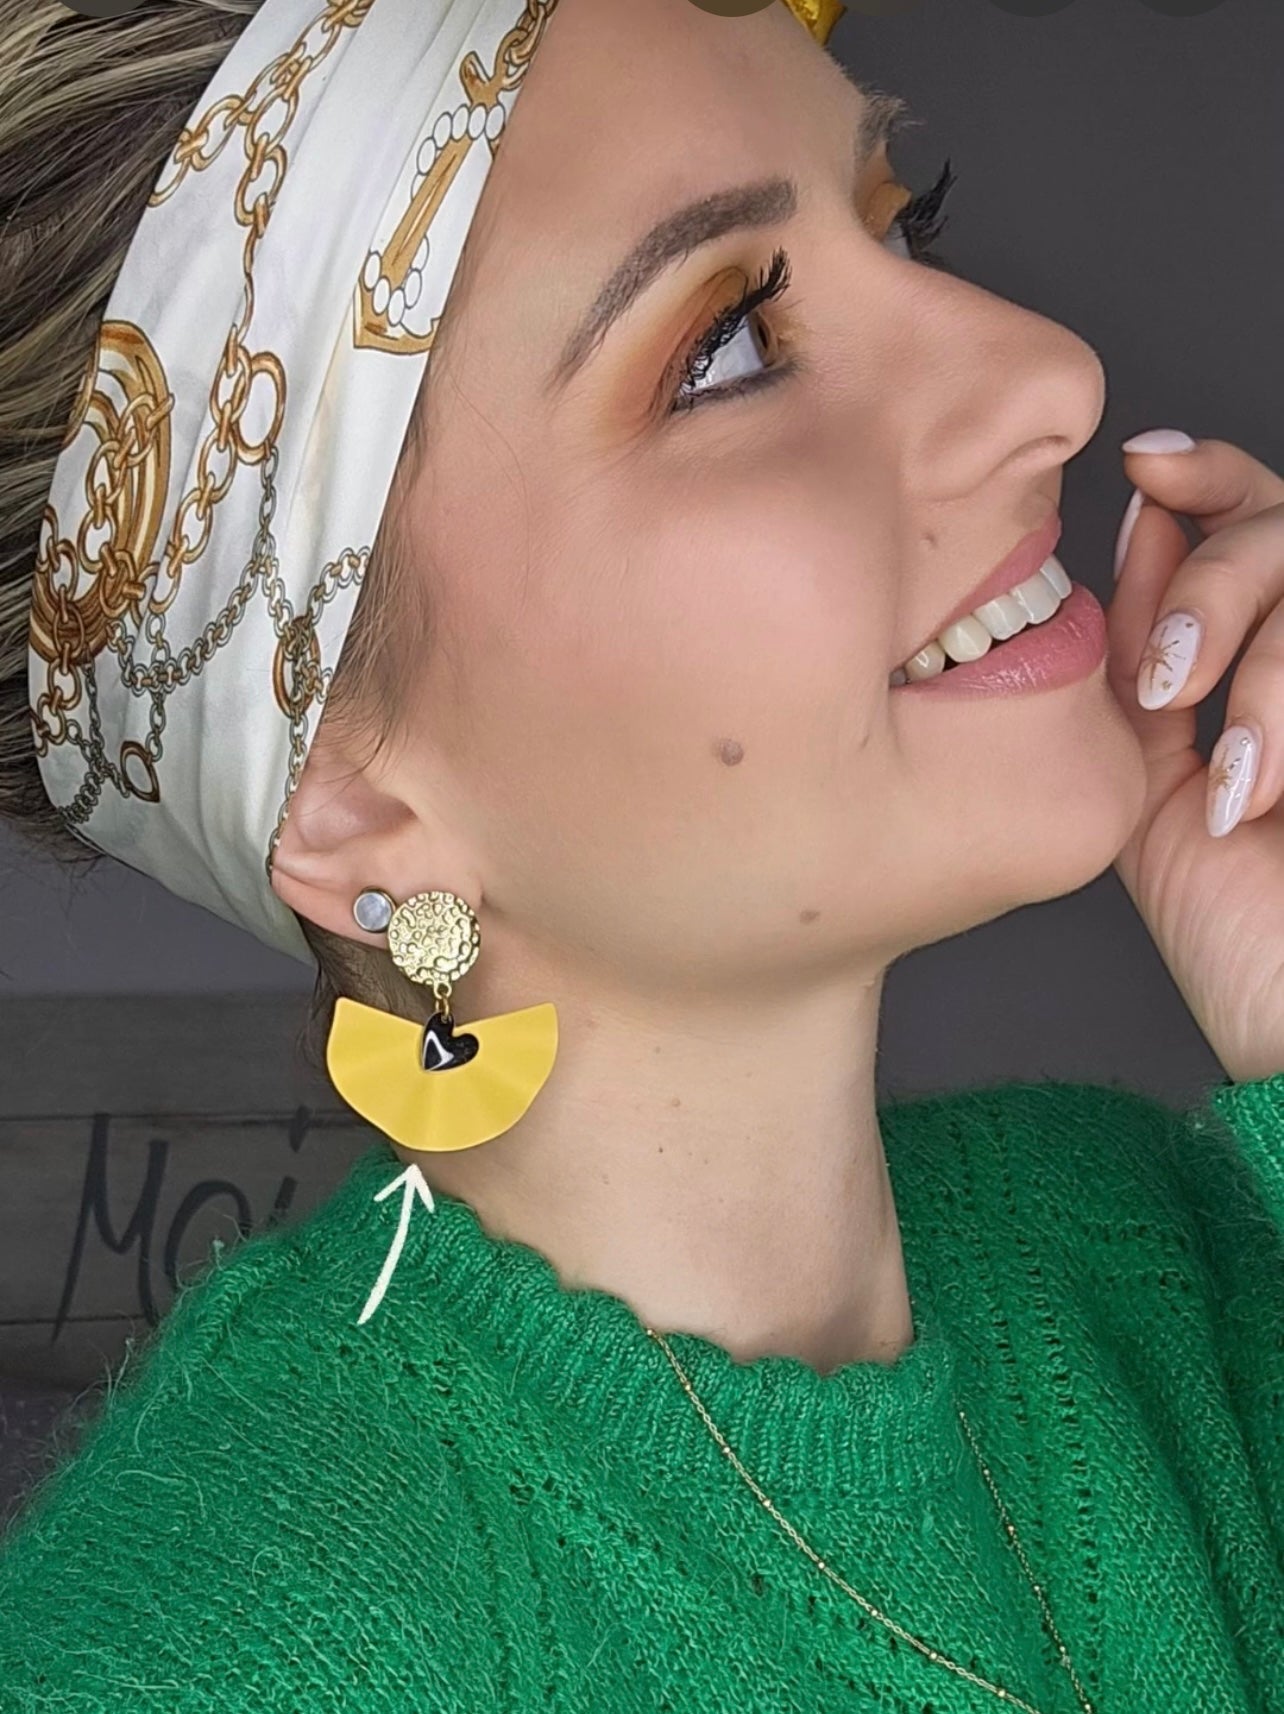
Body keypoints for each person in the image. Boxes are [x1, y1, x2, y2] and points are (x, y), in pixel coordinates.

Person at [1, 0, 1282, 1707]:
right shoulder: (215, 1650)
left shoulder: (1155, 1261)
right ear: (354, 800)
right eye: (730, 348)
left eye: (904, 225)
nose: (1048, 375)